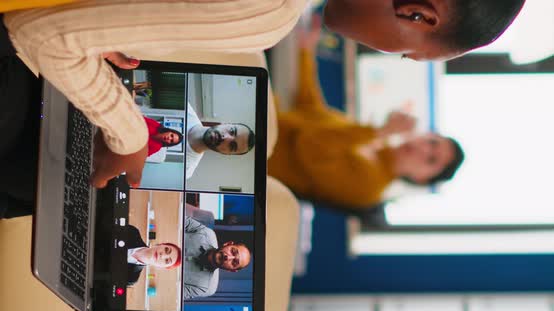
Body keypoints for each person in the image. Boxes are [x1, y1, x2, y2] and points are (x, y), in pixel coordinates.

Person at [0, 0, 524, 217]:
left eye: (429, 156)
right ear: (417, 13)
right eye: (404, 50)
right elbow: (44, 38)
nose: (385, 52)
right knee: (42, 185)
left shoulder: (368, 180)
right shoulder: (271, 12)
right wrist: (130, 135)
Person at [268, 23, 465, 209]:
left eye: (431, 160)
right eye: (432, 142)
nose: (422, 149)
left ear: (421, 179)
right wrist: (306, 51)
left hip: (258, 148)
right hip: (266, 116)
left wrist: (381, 131)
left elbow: (310, 144)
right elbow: (310, 109)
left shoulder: (370, 188)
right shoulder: (374, 143)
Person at [183, 216, 251, 299]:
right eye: (232, 251)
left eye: (234, 262)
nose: (228, 257)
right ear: (227, 244)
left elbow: (172, 293)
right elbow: (177, 218)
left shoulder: (204, 287)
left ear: (231, 270)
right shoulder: (206, 233)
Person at [185, 104, 255, 178]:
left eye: (232, 146)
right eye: (231, 131)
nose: (225, 138)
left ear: (226, 153)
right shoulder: (185, 108)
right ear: (226, 124)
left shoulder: (186, 170)